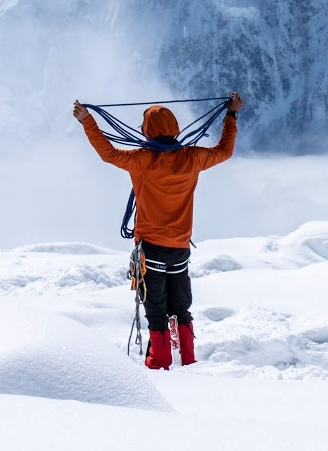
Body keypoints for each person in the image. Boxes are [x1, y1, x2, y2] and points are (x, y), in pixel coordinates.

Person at [72, 93, 242, 369]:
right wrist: (231, 116)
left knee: (156, 308)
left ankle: (160, 359)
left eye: (144, 125)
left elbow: (109, 153)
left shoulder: (143, 161)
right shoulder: (192, 158)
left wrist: (87, 121)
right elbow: (224, 151)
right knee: (180, 307)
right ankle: (187, 357)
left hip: (150, 248)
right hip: (180, 249)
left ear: (149, 131)